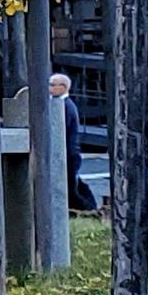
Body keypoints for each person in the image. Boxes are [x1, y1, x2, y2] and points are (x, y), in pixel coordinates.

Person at [50, 70, 96, 215]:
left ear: (63, 87)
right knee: (71, 185)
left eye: (52, 85)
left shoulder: (65, 106)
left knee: (69, 188)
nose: (49, 87)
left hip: (68, 153)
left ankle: (87, 209)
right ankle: (87, 208)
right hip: (67, 153)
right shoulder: (61, 104)